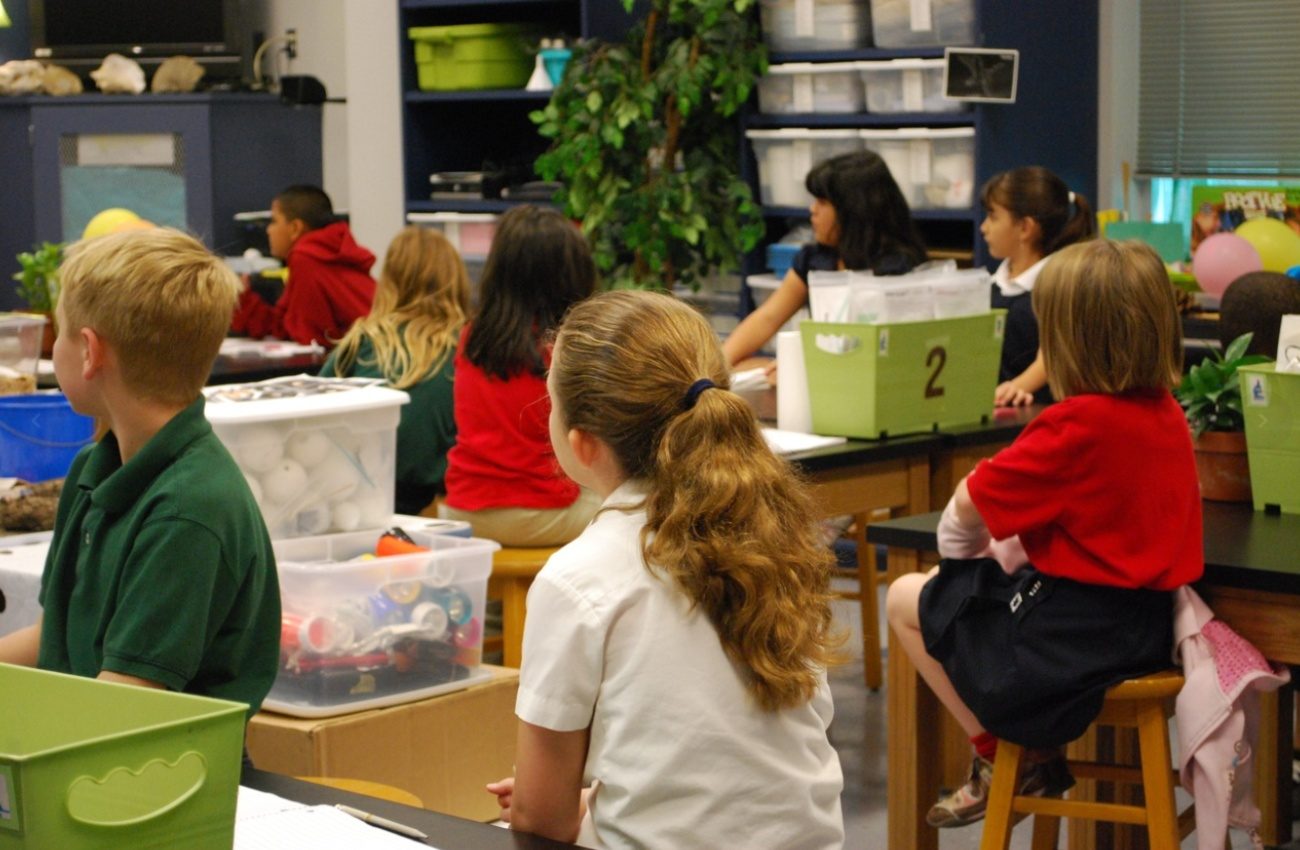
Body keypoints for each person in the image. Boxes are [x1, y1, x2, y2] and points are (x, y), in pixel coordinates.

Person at [486, 290, 844, 848]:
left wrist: (568, 801)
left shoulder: (578, 577)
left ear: (581, 443)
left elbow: (540, 818)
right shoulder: (776, 537)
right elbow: (741, 760)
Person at [885, 239, 1203, 829]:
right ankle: (1032, 747)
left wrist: (956, 565)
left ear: (1064, 337)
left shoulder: (1072, 425)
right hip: (1144, 631)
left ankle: (998, 753)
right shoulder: (1167, 412)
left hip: (1065, 646)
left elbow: (967, 504)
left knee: (908, 596)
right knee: (964, 590)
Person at [0, 229, 281, 717]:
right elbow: (56, 636)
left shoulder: (188, 510)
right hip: (93, 750)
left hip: (164, 774)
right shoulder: (96, 467)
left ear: (89, 351)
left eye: (60, 333)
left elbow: (122, 706)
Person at [439, 205, 601, 546]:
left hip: (463, 511)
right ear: (574, 274)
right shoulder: (570, 347)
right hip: (544, 513)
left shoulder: (472, 336)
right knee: (635, 507)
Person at [722, 150, 928, 366]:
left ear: (853, 210)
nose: (813, 210)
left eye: (822, 202)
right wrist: (715, 369)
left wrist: (801, 365)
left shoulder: (896, 268)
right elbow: (768, 317)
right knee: (740, 367)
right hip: (819, 374)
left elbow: (887, 353)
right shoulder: (816, 259)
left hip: (867, 380)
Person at [320, 226, 470, 515]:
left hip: (353, 501)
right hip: (438, 503)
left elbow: (312, 412)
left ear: (388, 281)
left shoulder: (359, 342)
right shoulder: (467, 349)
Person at [980, 166, 1095, 407]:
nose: (984, 227)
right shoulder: (993, 283)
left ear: (1025, 228)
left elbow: (1053, 355)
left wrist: (1015, 388)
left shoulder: (1056, 284)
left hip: (1038, 413)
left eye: (993, 216)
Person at [231, 185, 376, 349]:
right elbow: (285, 325)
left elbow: (309, 337)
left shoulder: (305, 258)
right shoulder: (328, 252)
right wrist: (244, 299)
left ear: (295, 228)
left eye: (274, 221)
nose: (268, 230)